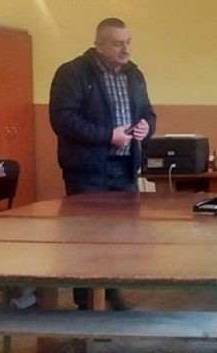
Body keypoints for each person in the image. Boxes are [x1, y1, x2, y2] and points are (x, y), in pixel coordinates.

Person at [49, 17, 157, 310]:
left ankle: (111, 291)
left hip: (125, 168)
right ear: (99, 45)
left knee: (121, 237)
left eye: (128, 42)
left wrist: (147, 127)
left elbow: (147, 112)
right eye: (118, 44)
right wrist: (107, 136)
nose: (126, 49)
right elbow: (62, 119)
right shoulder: (73, 72)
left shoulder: (134, 74)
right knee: (86, 238)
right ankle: (86, 301)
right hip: (87, 171)